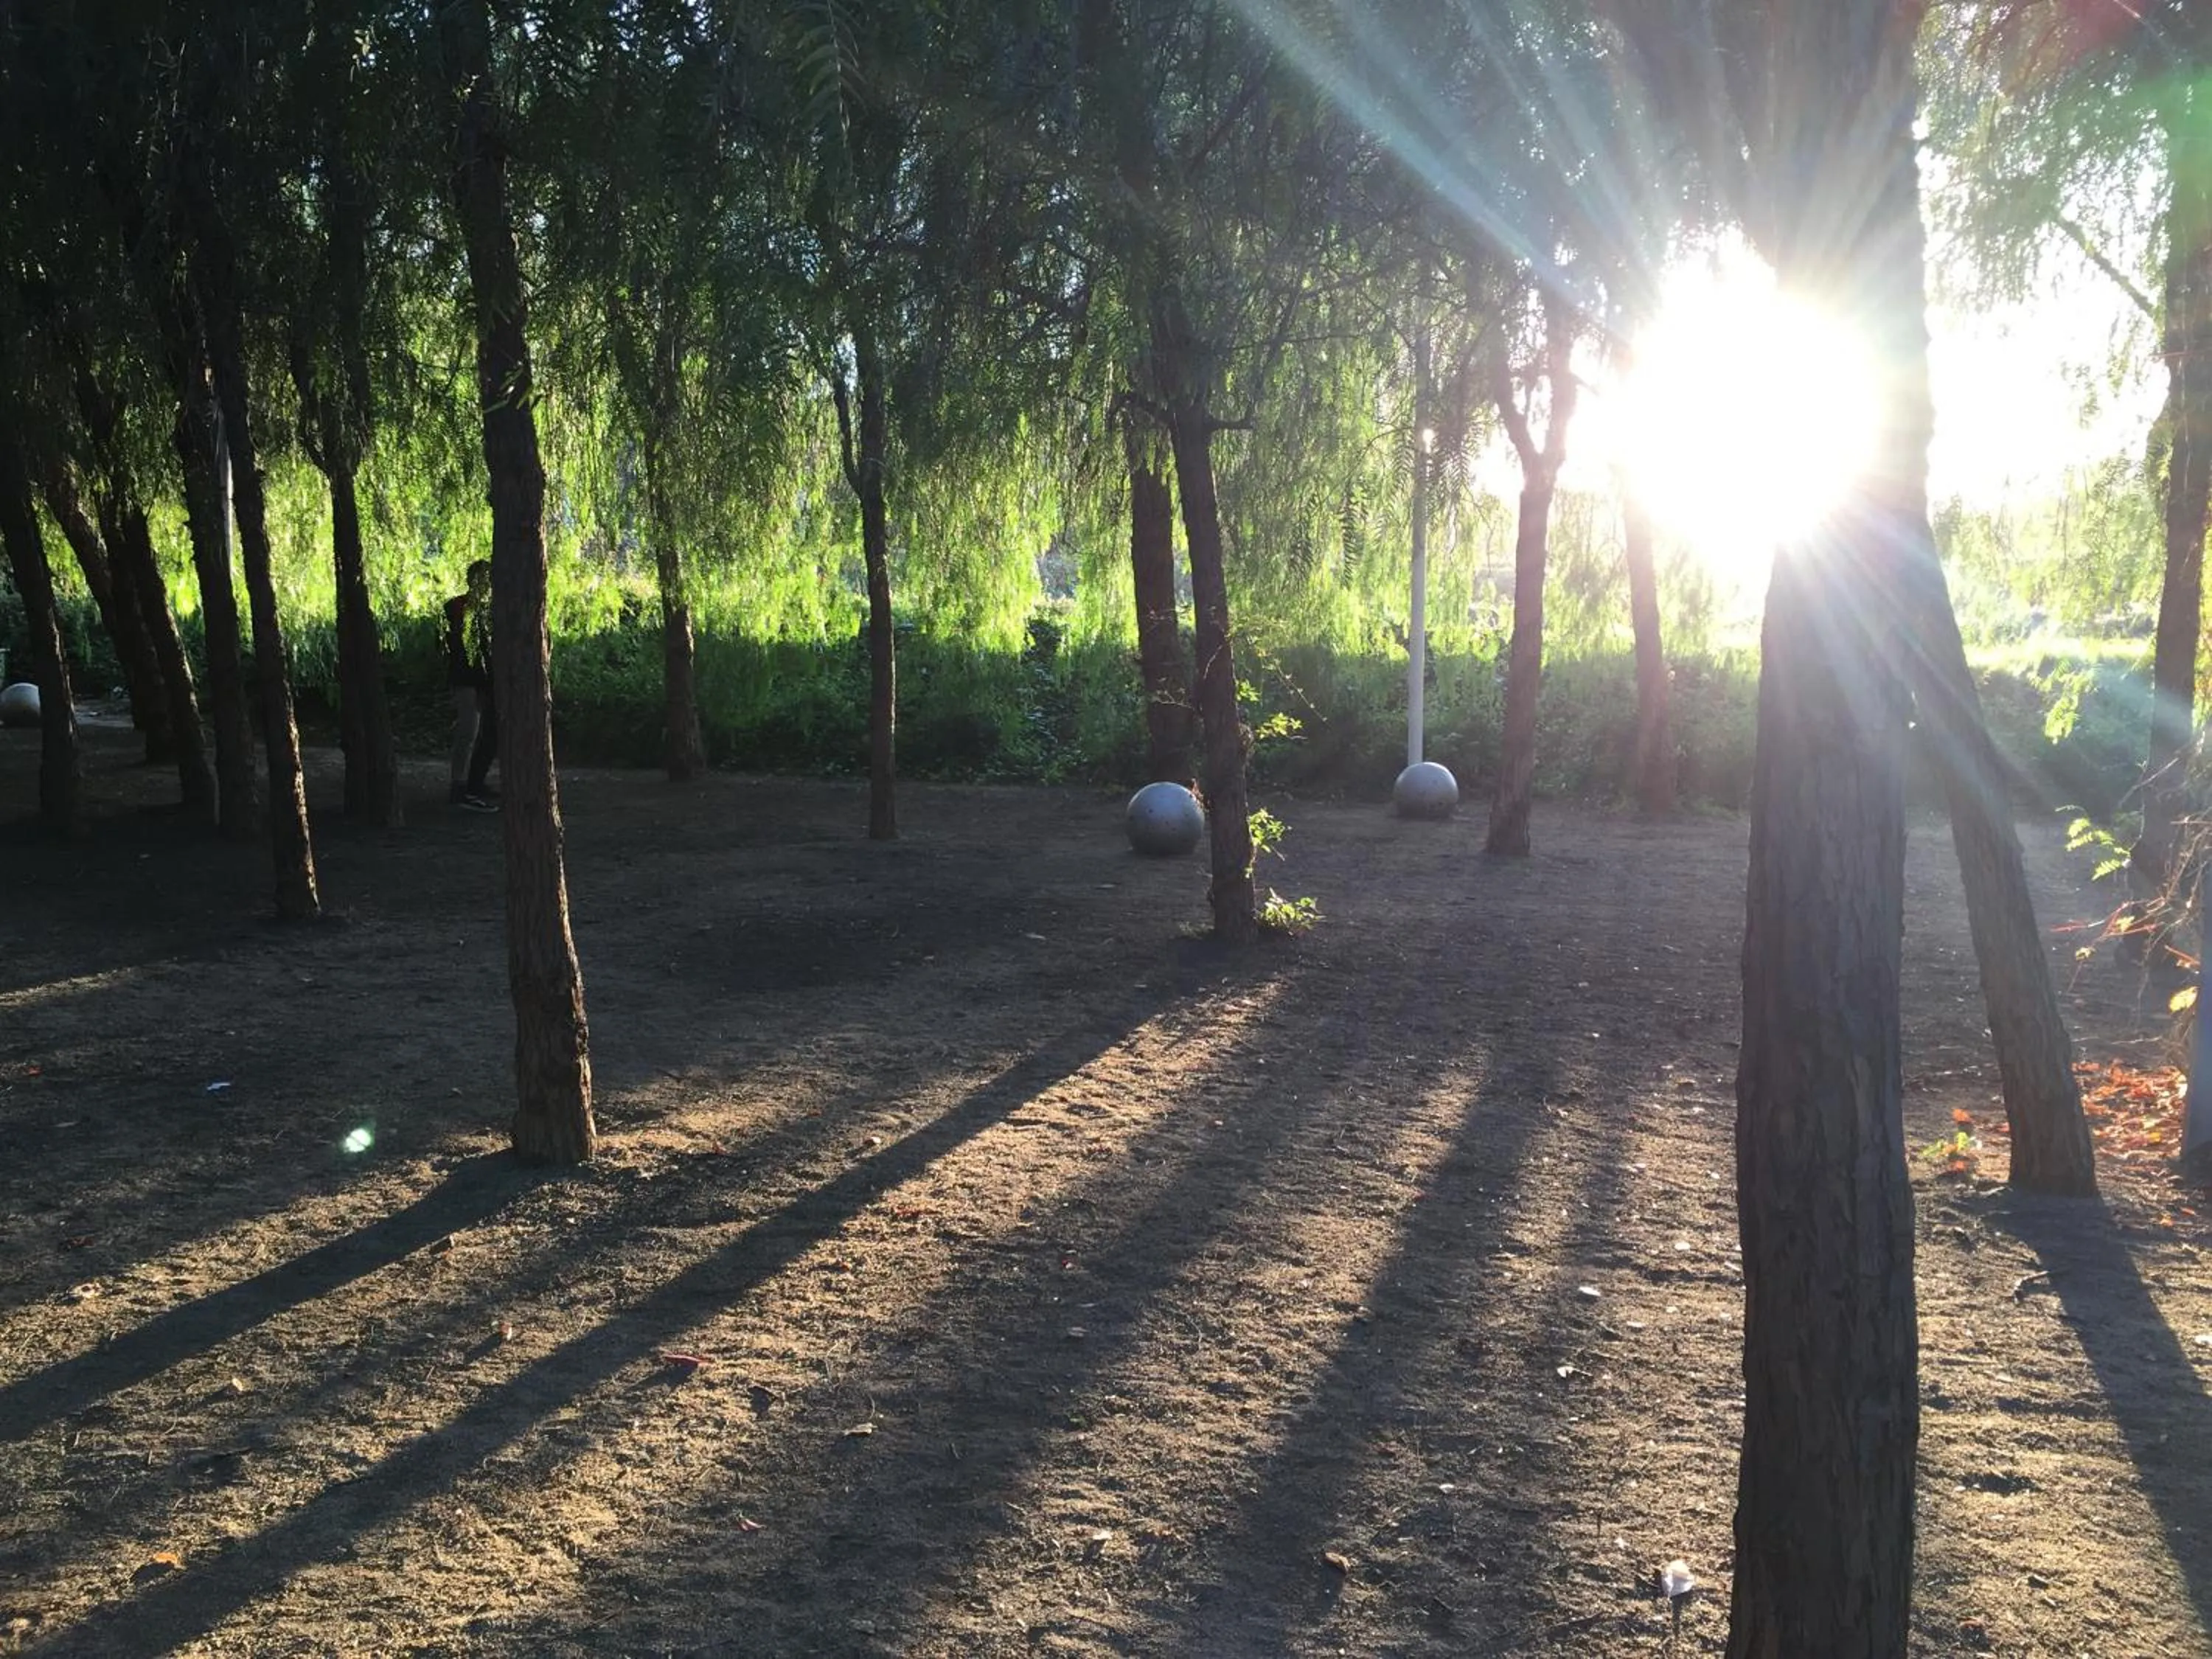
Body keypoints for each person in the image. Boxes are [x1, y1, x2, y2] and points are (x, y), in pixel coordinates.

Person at [445, 559, 498, 810]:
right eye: (482, 579)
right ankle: (459, 788)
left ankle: (471, 783)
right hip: (466, 681)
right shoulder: (457, 608)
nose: (486, 585)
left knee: (481, 733)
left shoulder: (487, 612)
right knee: (467, 733)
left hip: (480, 682)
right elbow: (460, 651)